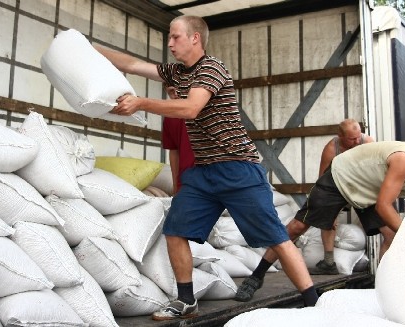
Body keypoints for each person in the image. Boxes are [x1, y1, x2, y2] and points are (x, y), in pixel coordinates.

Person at [94, 15, 318, 321]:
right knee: (175, 230)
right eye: (170, 38)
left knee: (276, 238)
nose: (170, 43)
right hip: (202, 172)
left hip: (238, 168)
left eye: (175, 37)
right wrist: (90, 48)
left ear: (195, 38)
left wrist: (140, 102)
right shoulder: (175, 72)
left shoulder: (211, 68)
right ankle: (186, 300)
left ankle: (314, 304)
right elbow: (132, 65)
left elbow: (190, 108)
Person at [235, 123, 405, 302]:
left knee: (390, 234)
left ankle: (383, 289)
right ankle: (256, 276)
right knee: (297, 228)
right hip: (342, 177)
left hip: (369, 189)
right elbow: (383, 206)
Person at [313, 118, 374, 274]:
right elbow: (322, 179)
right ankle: (328, 263)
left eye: (358, 137)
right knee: (327, 217)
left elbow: (378, 170)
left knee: (383, 221)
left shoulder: (367, 142)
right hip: (339, 186)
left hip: (362, 186)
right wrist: (328, 210)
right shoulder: (332, 149)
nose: (356, 141)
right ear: (340, 136)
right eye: (351, 139)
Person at [161, 84, 194, 194]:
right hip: (187, 181)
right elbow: (174, 151)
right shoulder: (170, 117)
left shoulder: (204, 108)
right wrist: (176, 185)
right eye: (171, 91)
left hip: (216, 177)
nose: (176, 94)